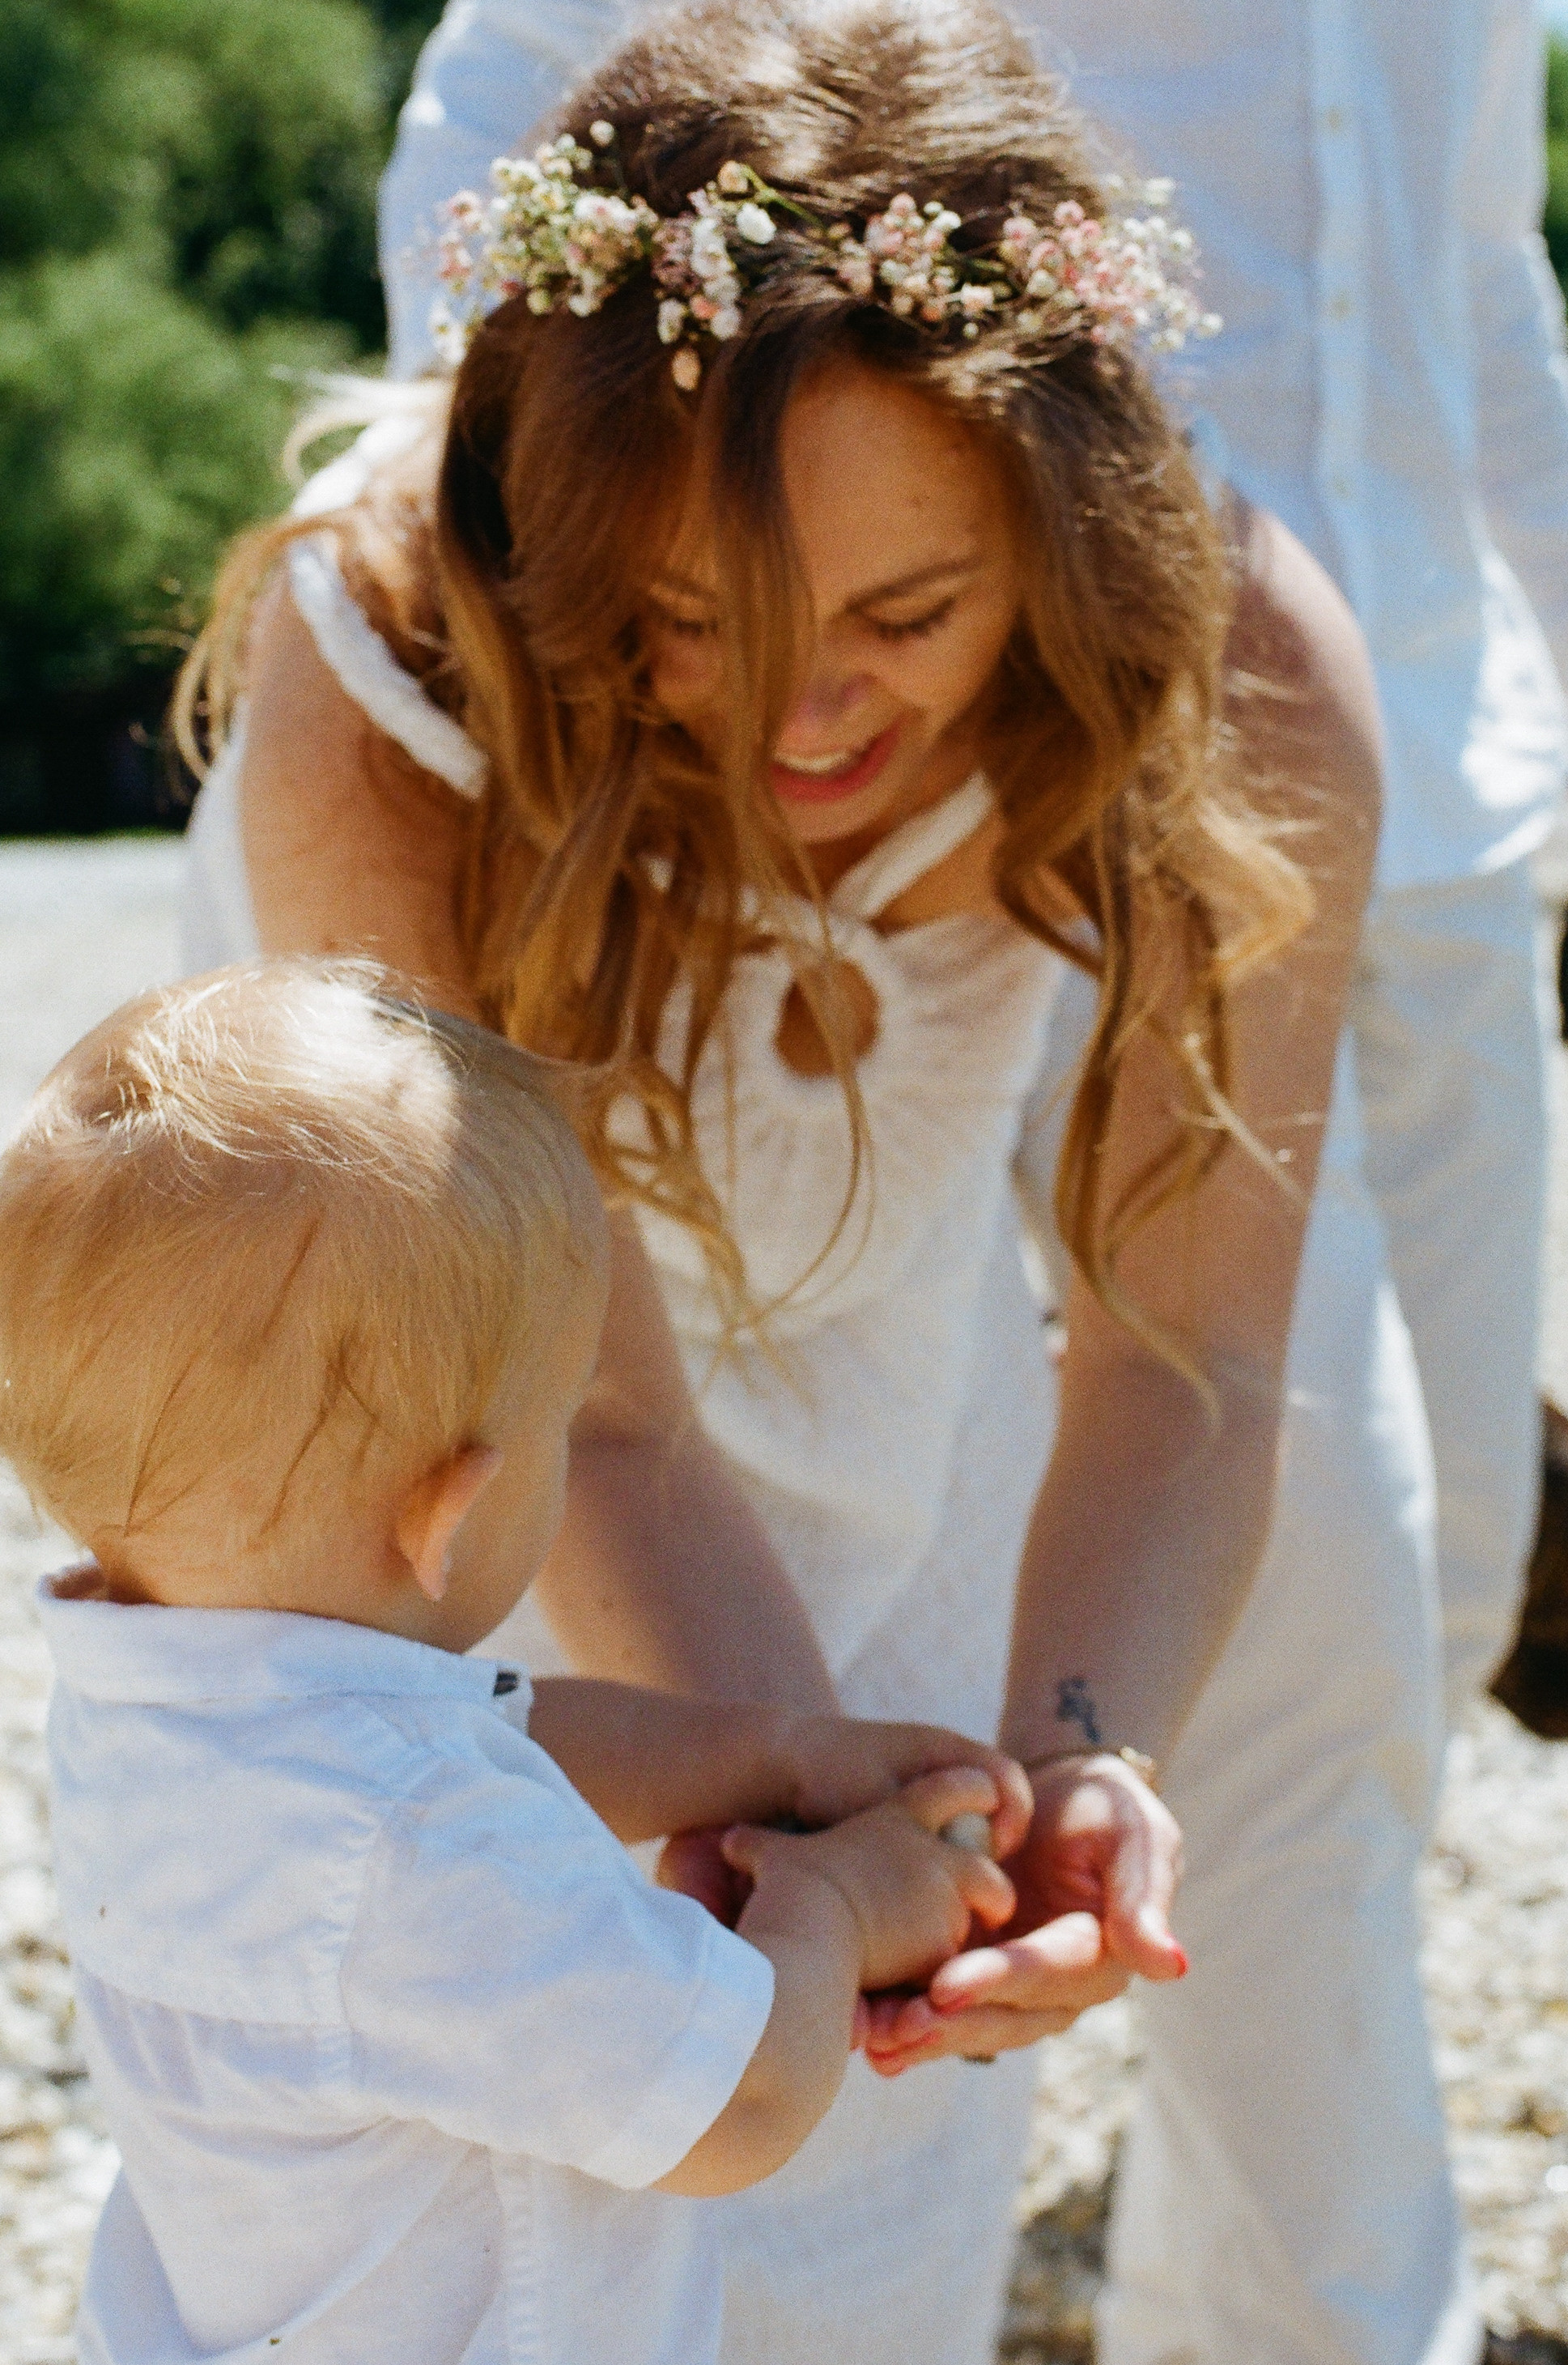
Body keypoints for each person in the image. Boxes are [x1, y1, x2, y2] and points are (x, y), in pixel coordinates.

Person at [176, 5, 1417, 2361]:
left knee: (857, 2129)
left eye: (905, 616)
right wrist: (812, 1811)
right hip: (478, 1361)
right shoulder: (400, 696)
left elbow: (1189, 1348)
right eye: (679, 624)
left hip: (882, 1296)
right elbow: (601, 1416)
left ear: (1052, 530)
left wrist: (1051, 1770)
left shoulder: (1246, 673)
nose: (793, 722)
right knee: (489, 2070)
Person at [2, 957, 1039, 2365]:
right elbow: (732, 2100)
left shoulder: (162, 1695)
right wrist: (833, 1906)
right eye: (558, 1416)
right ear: (455, 1509)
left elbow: (505, 1738)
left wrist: (770, 1752)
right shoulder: (410, 1850)